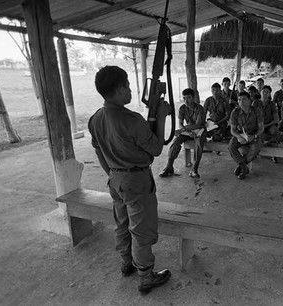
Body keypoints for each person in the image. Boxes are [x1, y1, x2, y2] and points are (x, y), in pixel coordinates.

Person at [88, 66, 171, 294]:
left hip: (115, 179)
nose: (131, 89)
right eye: (128, 85)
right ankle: (145, 276)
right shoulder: (131, 120)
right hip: (136, 181)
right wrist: (162, 116)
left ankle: (126, 263)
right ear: (120, 88)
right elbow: (155, 149)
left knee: (122, 223)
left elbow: (98, 150)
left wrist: (113, 173)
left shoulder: (95, 118)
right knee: (141, 230)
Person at [159, 88, 206, 179]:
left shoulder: (200, 108)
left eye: (188, 98)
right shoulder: (182, 108)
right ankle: (169, 166)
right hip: (188, 130)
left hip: (200, 130)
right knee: (176, 141)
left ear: (193, 97)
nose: (186, 101)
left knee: (199, 144)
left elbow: (197, 125)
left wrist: (182, 130)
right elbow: (180, 123)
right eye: (184, 98)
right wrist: (185, 130)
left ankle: (194, 170)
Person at [228, 92, 264, 180]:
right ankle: (243, 167)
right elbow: (232, 130)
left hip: (254, 135)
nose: (241, 102)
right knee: (231, 146)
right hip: (242, 135)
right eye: (239, 100)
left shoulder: (256, 111)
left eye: (244, 99)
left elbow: (261, 129)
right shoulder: (235, 112)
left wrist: (254, 136)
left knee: (255, 149)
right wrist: (239, 137)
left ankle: (241, 166)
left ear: (249, 101)